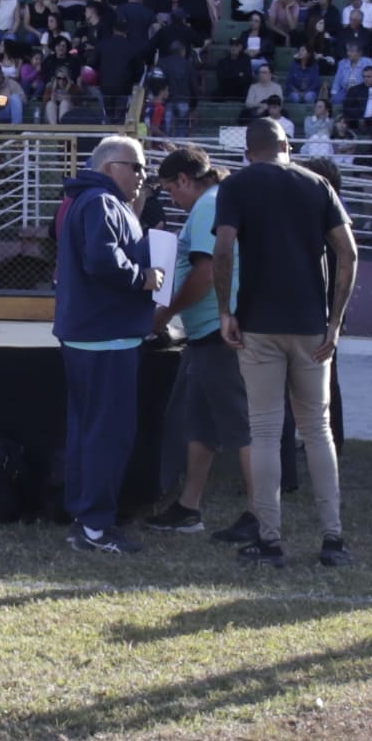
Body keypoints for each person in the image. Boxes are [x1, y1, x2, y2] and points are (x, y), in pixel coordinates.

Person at [213, 113, 356, 568]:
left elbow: (223, 248)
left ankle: (271, 540)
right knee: (317, 431)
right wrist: (335, 323)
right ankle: (333, 539)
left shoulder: (237, 185)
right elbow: (348, 253)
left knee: (265, 431)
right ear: (286, 146)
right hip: (311, 325)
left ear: (249, 151)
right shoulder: (317, 185)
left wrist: (225, 312)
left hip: (258, 323)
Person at [50, 135, 159, 554]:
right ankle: (95, 526)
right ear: (113, 165)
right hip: (105, 338)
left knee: (90, 431)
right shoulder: (100, 203)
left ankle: (87, 519)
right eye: (138, 168)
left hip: (93, 336)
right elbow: (102, 259)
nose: (142, 177)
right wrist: (143, 277)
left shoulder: (93, 201)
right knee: (106, 434)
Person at [143, 145, 251, 535]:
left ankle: (260, 516)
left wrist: (165, 314)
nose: (173, 199)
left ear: (185, 180)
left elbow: (205, 273)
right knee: (201, 424)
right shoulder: (216, 200)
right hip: (207, 334)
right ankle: (188, 506)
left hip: (219, 334)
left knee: (241, 427)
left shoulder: (208, 204)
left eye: (172, 190)